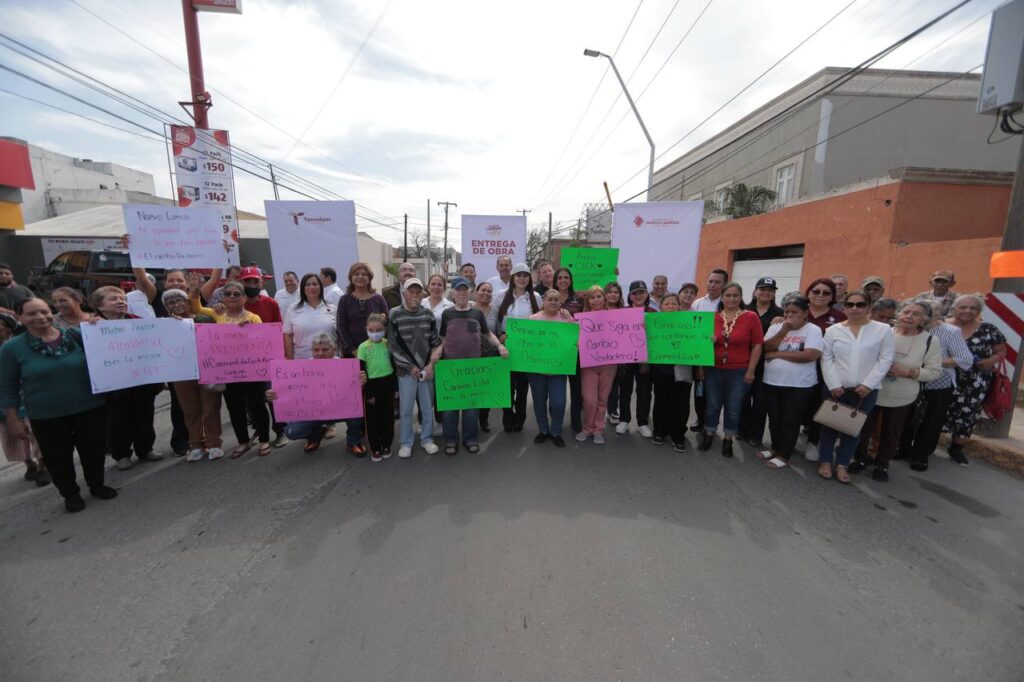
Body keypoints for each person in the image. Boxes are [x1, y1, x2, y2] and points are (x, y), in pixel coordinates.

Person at [0, 298, 115, 512]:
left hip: (90, 407)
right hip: (46, 415)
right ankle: (70, 494)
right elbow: (7, 387)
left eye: (44, 311)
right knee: (57, 457)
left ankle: (97, 485)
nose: (40, 317)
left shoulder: (76, 335)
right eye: (32, 314)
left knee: (93, 450)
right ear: (20, 318)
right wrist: (13, 419)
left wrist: (102, 327)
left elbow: (110, 346)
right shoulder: (12, 349)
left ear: (51, 313)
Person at [848, 301, 942, 482]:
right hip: (873, 390)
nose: (909, 316)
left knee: (892, 432)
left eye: (915, 314)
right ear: (898, 314)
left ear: (924, 319)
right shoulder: (883, 332)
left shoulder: (930, 341)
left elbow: (935, 372)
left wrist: (906, 372)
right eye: (906, 312)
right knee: (863, 428)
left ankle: (882, 464)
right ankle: (860, 459)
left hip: (902, 395)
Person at [816, 290, 894, 484]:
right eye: (850, 304)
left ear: (868, 307)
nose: (854, 308)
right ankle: (825, 460)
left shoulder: (883, 330)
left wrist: (869, 384)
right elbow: (826, 359)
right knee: (830, 426)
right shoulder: (833, 330)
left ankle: (842, 463)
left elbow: (885, 359)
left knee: (853, 429)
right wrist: (834, 384)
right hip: (836, 388)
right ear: (844, 307)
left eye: (860, 305)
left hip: (865, 391)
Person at [190, 281, 272, 458]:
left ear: (244, 298)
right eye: (228, 294)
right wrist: (196, 291)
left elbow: (262, 342)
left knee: (256, 405)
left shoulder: (253, 317)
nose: (232, 297)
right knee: (234, 407)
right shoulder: (216, 313)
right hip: (228, 371)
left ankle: (264, 439)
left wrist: (248, 331)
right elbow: (196, 308)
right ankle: (243, 441)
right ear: (223, 297)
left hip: (251, 370)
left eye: (236, 294)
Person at [91, 286, 163, 471]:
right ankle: (122, 454)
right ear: (100, 306)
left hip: (142, 381)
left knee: (145, 417)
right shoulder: (93, 328)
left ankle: (145, 448)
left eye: (122, 298)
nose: (121, 302)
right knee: (118, 422)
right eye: (113, 299)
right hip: (114, 387)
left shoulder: (139, 322)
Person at [436, 277, 507, 455]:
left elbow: (487, 333)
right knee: (451, 407)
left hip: (473, 366)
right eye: (458, 290)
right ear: (452, 293)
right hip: (451, 367)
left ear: (470, 292)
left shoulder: (477, 314)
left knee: (471, 406)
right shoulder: (447, 314)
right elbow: (443, 338)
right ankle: (451, 440)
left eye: (464, 290)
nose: (461, 293)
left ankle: (470, 438)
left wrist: (500, 346)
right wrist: (437, 351)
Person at [899, 303, 973, 471]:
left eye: (928, 312)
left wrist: (932, 363)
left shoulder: (950, 331)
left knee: (931, 422)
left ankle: (920, 455)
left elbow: (965, 359)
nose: (922, 315)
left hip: (938, 383)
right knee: (905, 416)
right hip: (908, 380)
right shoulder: (906, 328)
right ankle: (902, 448)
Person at [758, 295, 823, 468]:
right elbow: (765, 348)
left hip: (799, 385)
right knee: (774, 418)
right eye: (787, 312)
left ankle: (784, 454)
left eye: (795, 312)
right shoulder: (777, 327)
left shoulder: (813, 330)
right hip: (772, 381)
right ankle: (775, 448)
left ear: (805, 313)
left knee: (790, 420)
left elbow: (810, 355)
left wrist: (778, 354)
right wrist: (783, 331)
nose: (789, 316)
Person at [699, 282, 763, 456]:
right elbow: (699, 344)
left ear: (741, 297)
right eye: (728, 295)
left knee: (733, 407)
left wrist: (751, 370)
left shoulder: (751, 317)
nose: (732, 299)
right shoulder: (713, 317)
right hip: (714, 369)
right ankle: (709, 433)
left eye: (735, 295)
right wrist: (708, 341)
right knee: (712, 405)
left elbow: (757, 345)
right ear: (722, 297)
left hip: (739, 370)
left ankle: (728, 438)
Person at [266, 333, 357, 453]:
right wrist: (275, 395)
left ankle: (353, 441)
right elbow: (289, 390)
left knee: (356, 410)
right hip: (314, 413)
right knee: (291, 432)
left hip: (338, 410)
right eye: (316, 350)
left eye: (324, 349)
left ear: (334, 350)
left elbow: (354, 392)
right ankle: (315, 435)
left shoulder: (345, 366)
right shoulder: (302, 368)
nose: (319, 353)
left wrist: (360, 381)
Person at [162, 288, 223, 462]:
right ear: (167, 308)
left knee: (210, 408)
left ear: (188, 302)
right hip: (181, 373)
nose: (176, 304)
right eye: (171, 302)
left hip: (207, 369)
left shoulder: (204, 319)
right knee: (190, 410)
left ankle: (214, 444)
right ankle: (196, 444)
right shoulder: (164, 325)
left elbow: (216, 341)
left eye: (179, 300)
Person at [945, 294, 1007, 466]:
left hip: (974, 382)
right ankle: (925, 445)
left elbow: (1002, 351)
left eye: (973, 308)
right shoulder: (941, 324)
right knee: (936, 411)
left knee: (967, 414)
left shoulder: (988, 329)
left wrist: (990, 361)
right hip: (942, 378)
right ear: (954, 308)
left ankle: (956, 449)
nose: (968, 311)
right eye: (963, 307)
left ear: (979, 311)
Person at [336, 262, 389, 455]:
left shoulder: (378, 299)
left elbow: (387, 325)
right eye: (356, 274)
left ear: (369, 277)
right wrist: (352, 350)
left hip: (377, 356)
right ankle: (355, 437)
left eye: (364, 274)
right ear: (351, 277)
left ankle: (375, 430)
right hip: (353, 356)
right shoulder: (345, 300)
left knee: (373, 395)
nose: (360, 277)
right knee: (355, 397)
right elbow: (340, 326)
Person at [388, 278, 441, 457]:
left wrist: (430, 365)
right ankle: (406, 442)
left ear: (422, 294)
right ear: (404, 293)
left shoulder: (428, 314)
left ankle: (427, 439)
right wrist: (409, 367)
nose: (415, 295)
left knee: (427, 408)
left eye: (418, 291)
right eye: (411, 291)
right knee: (406, 409)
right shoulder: (394, 314)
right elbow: (392, 346)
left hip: (426, 371)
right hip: (406, 372)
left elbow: (435, 342)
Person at [0, 312, 50, 487]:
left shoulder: (20, 344)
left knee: (36, 431)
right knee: (13, 435)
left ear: (7, 326)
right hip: (3, 400)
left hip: (28, 395)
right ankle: (29, 463)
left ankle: (43, 465)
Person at [802, 278, 847, 459]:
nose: (820, 295)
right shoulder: (799, 312)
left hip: (826, 370)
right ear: (809, 293)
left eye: (826, 292)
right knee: (800, 405)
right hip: (800, 367)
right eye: (816, 291)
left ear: (832, 297)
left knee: (821, 406)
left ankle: (814, 442)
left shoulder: (840, 317)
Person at [495, 263, 542, 432]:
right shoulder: (501, 296)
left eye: (525, 275)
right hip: (506, 348)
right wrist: (499, 337)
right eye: (518, 275)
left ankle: (520, 417)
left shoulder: (535, 297)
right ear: (513, 278)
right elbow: (495, 320)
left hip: (526, 350)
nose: (521, 279)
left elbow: (542, 320)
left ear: (529, 278)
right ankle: (507, 416)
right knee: (507, 386)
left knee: (522, 387)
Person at [739, 276, 784, 448]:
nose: (766, 292)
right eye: (762, 289)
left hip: (766, 364)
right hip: (744, 360)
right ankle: (740, 429)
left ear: (773, 294)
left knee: (760, 401)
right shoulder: (745, 309)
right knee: (742, 398)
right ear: (755, 291)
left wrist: (783, 321)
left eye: (770, 290)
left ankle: (755, 434)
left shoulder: (780, 313)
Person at [528, 289, 575, 447]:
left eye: (557, 300)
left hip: (558, 370)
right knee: (539, 401)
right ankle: (543, 430)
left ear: (561, 303)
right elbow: (524, 342)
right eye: (550, 299)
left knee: (558, 402)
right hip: (536, 370)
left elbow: (576, 340)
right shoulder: (533, 319)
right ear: (543, 301)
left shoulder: (567, 320)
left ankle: (556, 431)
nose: (554, 302)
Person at [649, 293, 693, 453]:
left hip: (683, 370)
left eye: (674, 304)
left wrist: (709, 339)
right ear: (660, 307)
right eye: (667, 304)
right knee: (661, 402)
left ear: (679, 306)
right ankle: (659, 432)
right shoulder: (654, 322)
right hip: (661, 370)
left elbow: (698, 343)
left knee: (680, 405)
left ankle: (678, 436)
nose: (670, 307)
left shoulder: (689, 322)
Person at [576, 286, 616, 446]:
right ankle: (587, 428)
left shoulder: (616, 317)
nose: (596, 299)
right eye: (593, 297)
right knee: (589, 400)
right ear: (588, 301)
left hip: (609, 364)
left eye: (599, 296)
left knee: (602, 399)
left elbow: (626, 333)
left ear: (604, 298)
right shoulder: (581, 319)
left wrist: (640, 328)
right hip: (589, 364)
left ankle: (598, 429)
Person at [615, 281, 655, 438]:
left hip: (645, 360)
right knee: (625, 390)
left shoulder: (653, 313)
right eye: (635, 293)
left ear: (647, 295)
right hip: (626, 358)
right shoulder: (622, 312)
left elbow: (658, 339)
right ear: (630, 296)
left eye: (642, 292)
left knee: (644, 392)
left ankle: (642, 423)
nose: (638, 296)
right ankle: (624, 420)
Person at [690, 269, 728, 433]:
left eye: (717, 282)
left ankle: (711, 423)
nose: (712, 285)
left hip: (718, 355)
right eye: (710, 281)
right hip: (699, 354)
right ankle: (701, 419)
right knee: (700, 391)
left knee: (714, 393)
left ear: (724, 285)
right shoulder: (697, 303)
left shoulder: (727, 304)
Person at [357, 314, 396, 462]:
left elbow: (393, 364)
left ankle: (387, 444)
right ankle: (375, 447)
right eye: (371, 330)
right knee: (373, 418)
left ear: (385, 330)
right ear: (366, 329)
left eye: (378, 329)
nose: (375, 332)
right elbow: (362, 370)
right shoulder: (363, 347)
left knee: (388, 416)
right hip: (372, 385)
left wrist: (395, 388)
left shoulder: (388, 344)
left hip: (388, 383)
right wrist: (369, 391)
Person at [553, 267, 584, 433]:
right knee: (557, 392)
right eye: (560, 278)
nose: (563, 280)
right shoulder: (549, 298)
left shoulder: (579, 299)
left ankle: (576, 422)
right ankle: (555, 422)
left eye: (566, 277)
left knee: (577, 390)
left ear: (570, 280)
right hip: (555, 352)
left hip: (576, 352)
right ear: (555, 281)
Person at [283, 273, 336, 360]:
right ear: (302, 288)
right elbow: (288, 336)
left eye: (315, 284)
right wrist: (290, 360)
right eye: (307, 284)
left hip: (329, 361)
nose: (311, 287)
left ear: (321, 287)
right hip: (302, 362)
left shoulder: (332, 308)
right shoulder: (293, 309)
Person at [473, 281, 499, 433]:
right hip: (471, 354)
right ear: (476, 292)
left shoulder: (495, 310)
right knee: (472, 389)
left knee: (486, 390)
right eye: (483, 290)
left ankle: (484, 419)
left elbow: (498, 331)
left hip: (490, 354)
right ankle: (471, 419)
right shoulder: (469, 308)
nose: (486, 293)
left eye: (489, 291)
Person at [603, 282, 626, 426]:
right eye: (610, 292)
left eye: (616, 292)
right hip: (599, 353)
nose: (613, 294)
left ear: (620, 296)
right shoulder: (598, 309)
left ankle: (612, 410)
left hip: (619, 355)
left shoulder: (626, 312)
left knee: (614, 385)